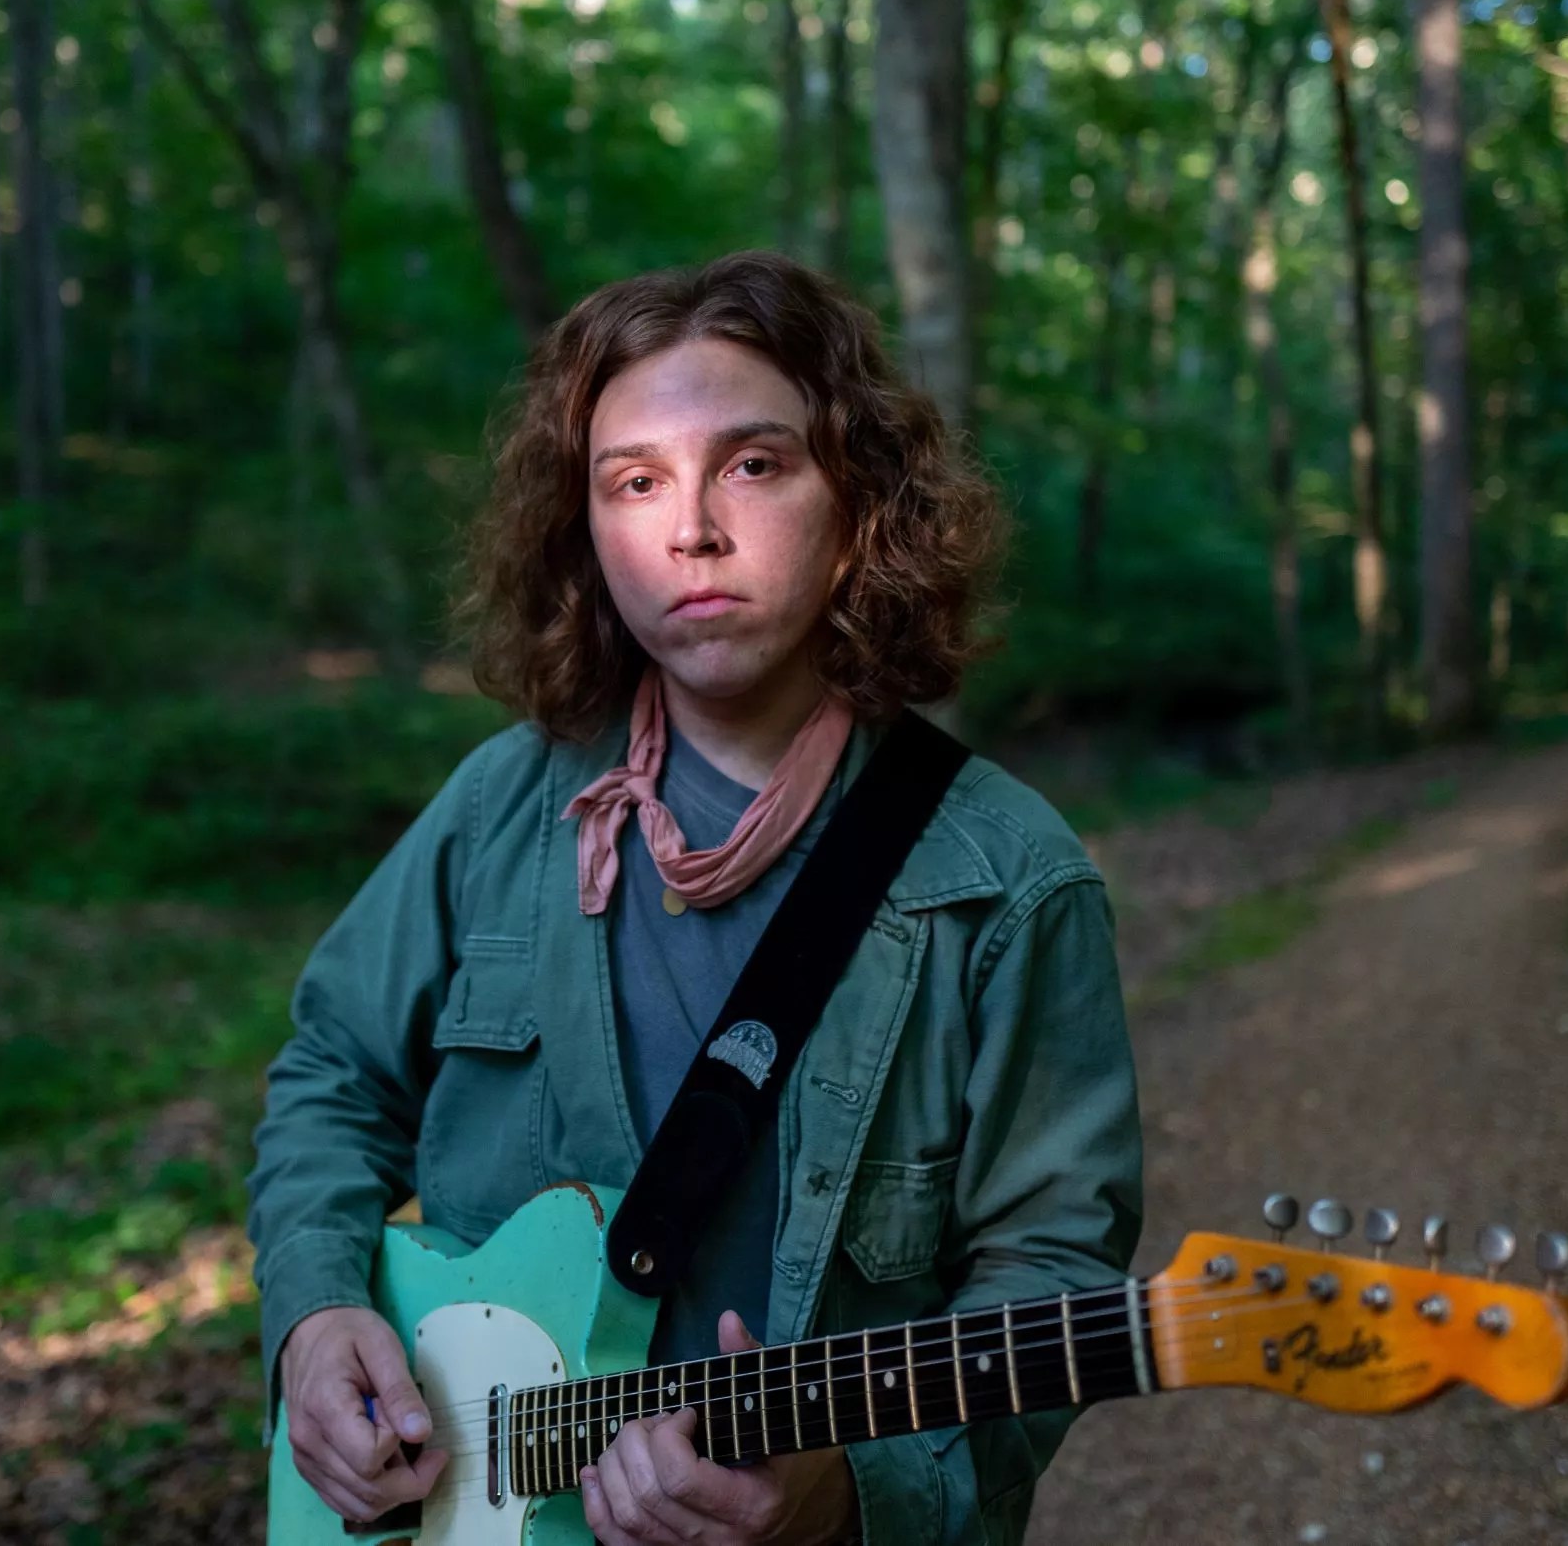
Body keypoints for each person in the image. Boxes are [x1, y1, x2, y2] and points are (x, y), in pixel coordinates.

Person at [246, 250, 1144, 1546]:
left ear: (861, 501)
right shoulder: (500, 807)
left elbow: (1050, 1273)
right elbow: (334, 1072)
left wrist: (846, 1490)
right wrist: (317, 1310)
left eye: (755, 465)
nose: (692, 529)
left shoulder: (1006, 879)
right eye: (636, 481)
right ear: (586, 529)